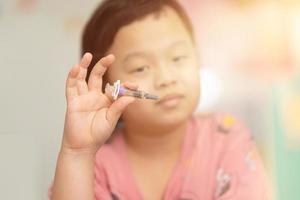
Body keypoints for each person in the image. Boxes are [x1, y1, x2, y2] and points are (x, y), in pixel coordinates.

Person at [50, 0, 270, 199]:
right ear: (107, 85)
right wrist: (77, 153)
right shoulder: (94, 165)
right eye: (140, 68)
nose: (166, 79)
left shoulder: (227, 140)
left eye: (178, 57)